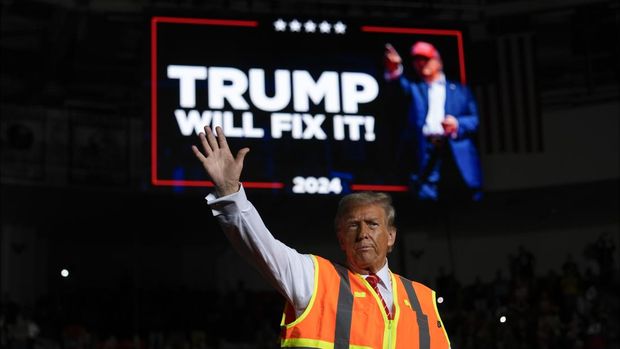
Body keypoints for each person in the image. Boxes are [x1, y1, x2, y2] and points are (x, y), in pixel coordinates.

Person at [192, 125, 451, 348]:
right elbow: (261, 246)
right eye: (352, 226)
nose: (363, 234)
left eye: (372, 224)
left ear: (391, 236)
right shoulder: (314, 280)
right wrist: (230, 194)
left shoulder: (423, 299)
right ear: (340, 239)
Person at [384, 41, 483, 202]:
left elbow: (474, 120)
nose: (421, 63)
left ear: (438, 61)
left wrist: (457, 124)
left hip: (452, 151)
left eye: (425, 59)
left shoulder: (459, 90)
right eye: (417, 60)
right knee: (425, 200)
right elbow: (398, 89)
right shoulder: (415, 88)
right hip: (425, 150)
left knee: (460, 200)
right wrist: (394, 69)